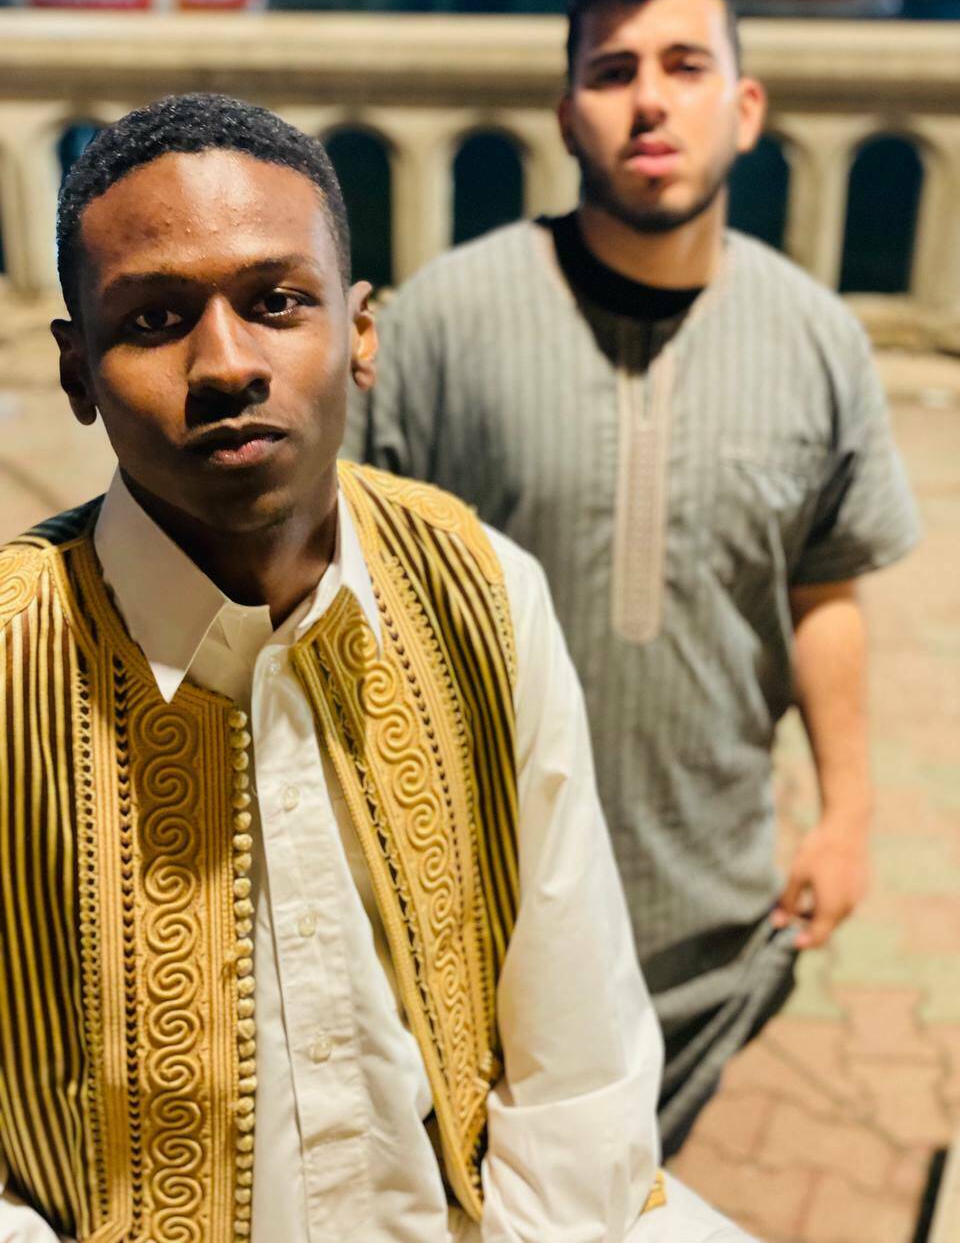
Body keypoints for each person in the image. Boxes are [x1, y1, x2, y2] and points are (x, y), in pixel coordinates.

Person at [0, 93, 756, 1242]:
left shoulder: (480, 590)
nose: (226, 363)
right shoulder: (15, 658)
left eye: (276, 302)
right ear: (77, 370)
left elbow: (577, 1059)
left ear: (360, 333)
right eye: (154, 318)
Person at [347, 0, 921, 1155]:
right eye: (612, 72)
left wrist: (848, 813)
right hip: (475, 910)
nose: (649, 100)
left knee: (634, 1187)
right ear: (568, 116)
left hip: (707, 914)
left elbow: (825, 587)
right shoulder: (439, 327)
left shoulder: (819, 341)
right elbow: (347, 593)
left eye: (684, 66)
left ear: (746, 109)